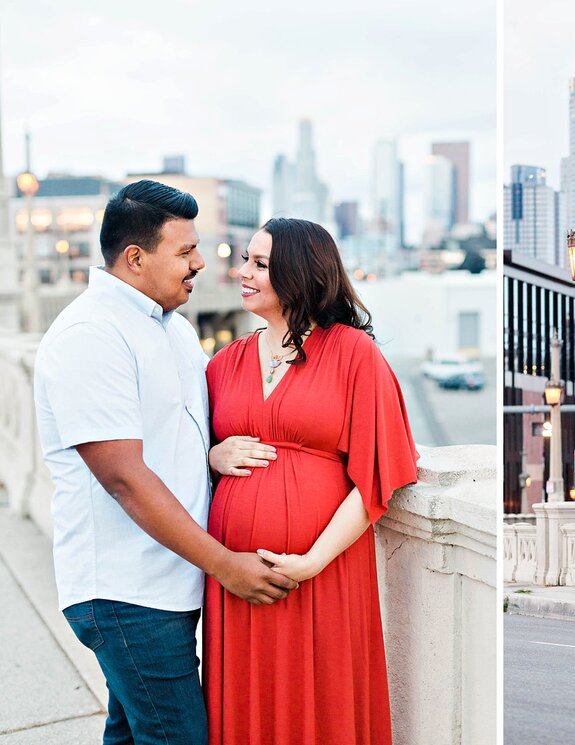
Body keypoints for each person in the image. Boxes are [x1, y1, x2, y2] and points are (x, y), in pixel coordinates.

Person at [33, 180, 298, 745]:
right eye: (184, 252)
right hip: (126, 592)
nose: (200, 263)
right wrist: (228, 565)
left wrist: (212, 452)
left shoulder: (172, 329)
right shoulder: (91, 334)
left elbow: (167, 439)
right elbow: (124, 478)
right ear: (135, 258)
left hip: (167, 585)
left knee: (132, 735)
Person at [203, 217, 419, 745]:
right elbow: (177, 454)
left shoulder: (352, 353)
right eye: (245, 259)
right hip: (235, 572)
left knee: (320, 701)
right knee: (249, 702)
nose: (243, 272)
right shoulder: (222, 364)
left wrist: (311, 561)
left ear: (298, 274)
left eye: (259, 263)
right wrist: (212, 454)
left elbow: (376, 478)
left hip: (322, 572)